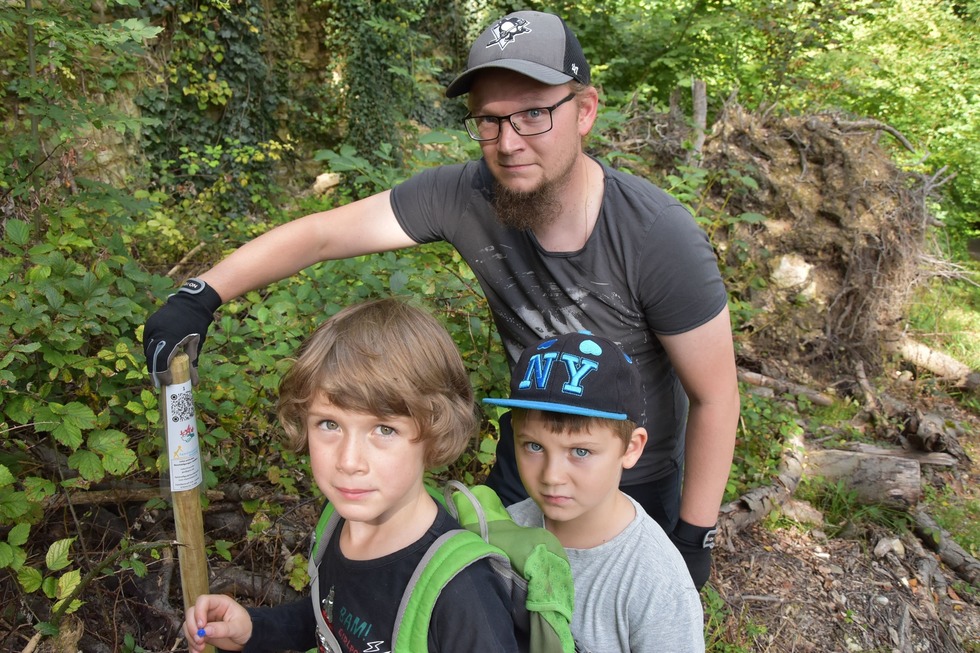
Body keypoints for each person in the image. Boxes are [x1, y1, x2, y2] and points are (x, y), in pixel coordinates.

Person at [145, 9, 740, 589]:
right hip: (526, 463)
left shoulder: (655, 236)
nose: (508, 143)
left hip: (629, 480)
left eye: (534, 114)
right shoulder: (466, 195)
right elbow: (324, 232)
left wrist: (695, 533)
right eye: (489, 120)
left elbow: (714, 395)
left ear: (584, 111)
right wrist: (203, 293)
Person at [183, 298, 519, 653]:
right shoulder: (338, 523)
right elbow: (327, 619)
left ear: (436, 432)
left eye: (384, 430)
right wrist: (253, 629)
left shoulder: (462, 592)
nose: (349, 461)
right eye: (329, 424)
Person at [485, 331, 705, 652]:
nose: (552, 475)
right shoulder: (507, 528)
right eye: (534, 446)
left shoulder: (656, 584)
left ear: (631, 448)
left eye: (581, 452)